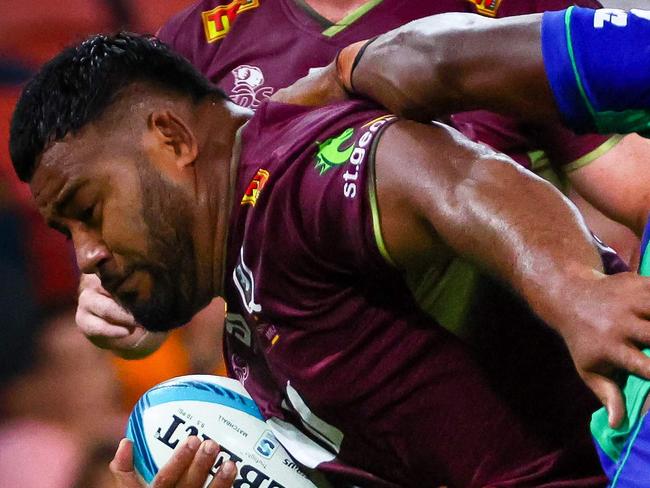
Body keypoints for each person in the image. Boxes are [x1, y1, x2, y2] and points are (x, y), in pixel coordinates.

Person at [10, 10, 650, 483]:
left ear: (173, 140)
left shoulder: (285, 186)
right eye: (67, 233)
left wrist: (575, 288)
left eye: (90, 213)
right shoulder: (244, 290)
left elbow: (456, 178)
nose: (86, 256)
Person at [77, 0, 650, 374]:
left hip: (525, 416)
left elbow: (639, 187)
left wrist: (584, 292)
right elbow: (167, 257)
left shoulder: (508, 9)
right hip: (326, 439)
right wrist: (130, 301)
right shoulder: (194, 46)